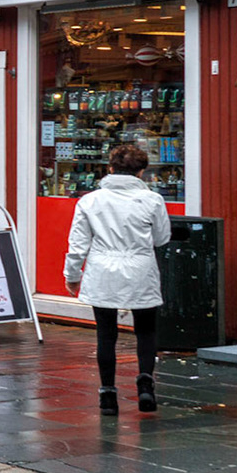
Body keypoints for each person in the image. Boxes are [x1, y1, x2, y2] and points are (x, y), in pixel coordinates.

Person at [66, 143, 172, 415]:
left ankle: (108, 395)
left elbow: (78, 245)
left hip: (103, 269)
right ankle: (146, 384)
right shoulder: (152, 200)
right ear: (142, 172)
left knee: (106, 334)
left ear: (110, 169)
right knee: (146, 330)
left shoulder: (90, 201)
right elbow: (161, 238)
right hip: (140, 268)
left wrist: (72, 275)